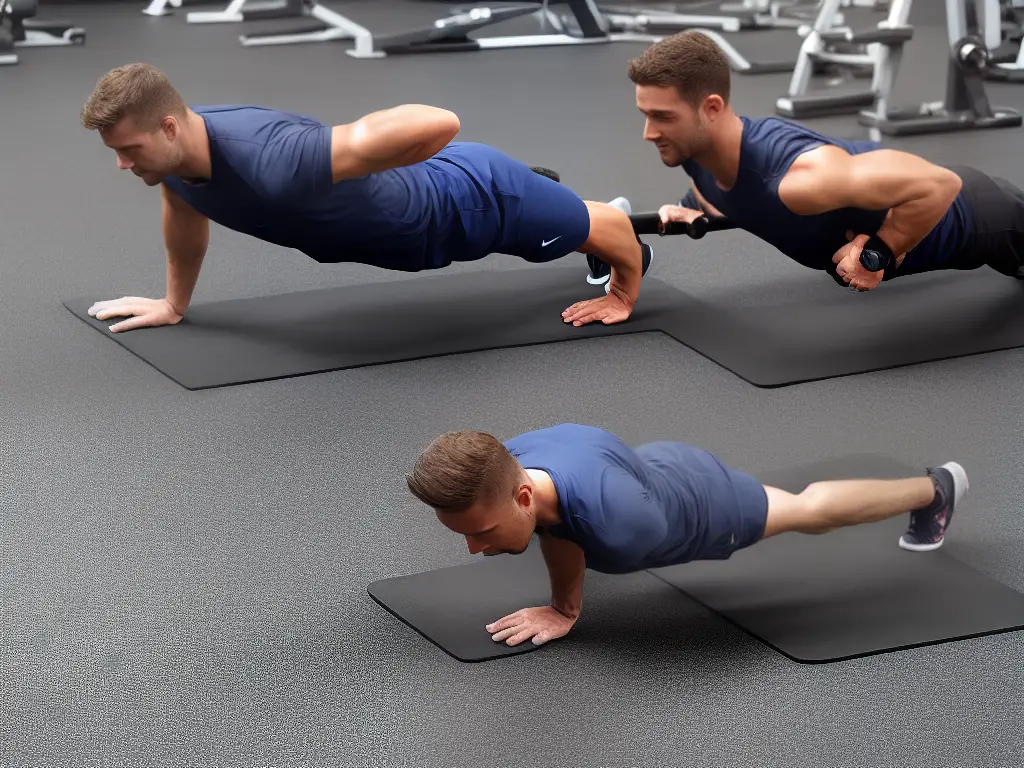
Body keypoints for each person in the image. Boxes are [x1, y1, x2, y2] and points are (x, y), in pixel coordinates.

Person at [79, 63, 653, 333]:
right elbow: (184, 217)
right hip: (427, 211)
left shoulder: (275, 158)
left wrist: (625, 295)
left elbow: (438, 121)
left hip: (465, 208)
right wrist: (173, 304)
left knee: (581, 228)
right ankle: (545, 193)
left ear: (170, 127)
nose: (122, 164)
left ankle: (605, 234)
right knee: (551, 211)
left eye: (129, 148)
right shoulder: (177, 166)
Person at [405, 424, 968, 648]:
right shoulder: (514, 458)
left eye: (480, 534)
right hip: (656, 463)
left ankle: (934, 490)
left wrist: (564, 610)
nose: (474, 549)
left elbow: (567, 538)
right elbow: (556, 525)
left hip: (705, 506)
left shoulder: (619, 530)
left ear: (523, 498)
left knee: (806, 510)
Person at [601, 30, 1024, 292]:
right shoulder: (697, 156)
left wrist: (881, 250)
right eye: (646, 115)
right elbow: (735, 193)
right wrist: (694, 208)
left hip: (986, 220)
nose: (649, 133)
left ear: (711, 108)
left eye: (663, 117)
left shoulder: (800, 180)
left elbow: (939, 184)